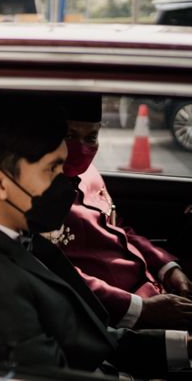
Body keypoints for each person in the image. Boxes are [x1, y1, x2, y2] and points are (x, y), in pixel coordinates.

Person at [0, 92, 190, 377]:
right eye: (52, 170)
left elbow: (91, 339)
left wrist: (183, 347)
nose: (65, 183)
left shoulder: (20, 237)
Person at [57, 94, 192, 330]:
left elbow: (119, 228)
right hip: (119, 315)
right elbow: (61, 274)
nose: (81, 148)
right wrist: (140, 308)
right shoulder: (35, 192)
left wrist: (168, 268)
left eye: (91, 138)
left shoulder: (90, 174)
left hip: (154, 288)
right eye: (69, 136)